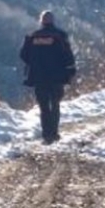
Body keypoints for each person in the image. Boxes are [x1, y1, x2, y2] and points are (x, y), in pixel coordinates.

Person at [19, 10, 76, 144]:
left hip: (39, 77)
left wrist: (34, 62)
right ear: (53, 21)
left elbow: (23, 55)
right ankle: (54, 133)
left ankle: (46, 134)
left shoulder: (33, 37)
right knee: (55, 104)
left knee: (44, 106)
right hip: (56, 77)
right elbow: (67, 55)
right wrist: (70, 70)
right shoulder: (60, 36)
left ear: (41, 21)